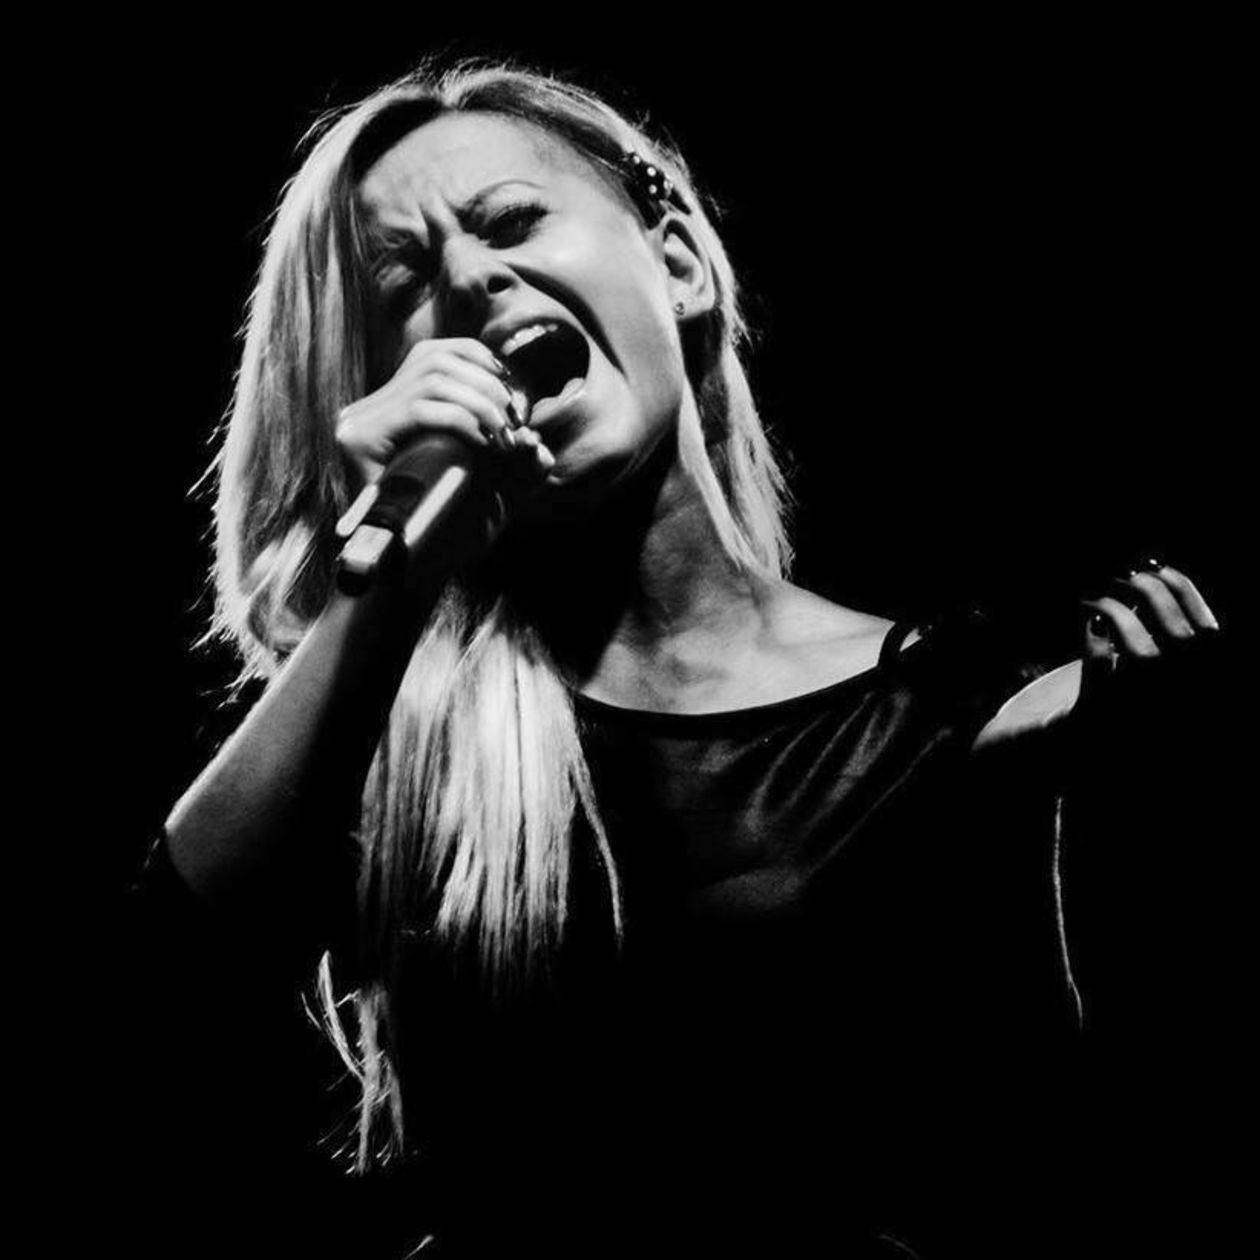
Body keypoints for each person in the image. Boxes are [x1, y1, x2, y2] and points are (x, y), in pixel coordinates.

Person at [137, 58, 1222, 1258]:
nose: (470, 277)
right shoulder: (391, 740)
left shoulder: (948, 712)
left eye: (512, 220)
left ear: (681, 265)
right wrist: (393, 572)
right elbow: (162, 1007)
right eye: (403, 281)